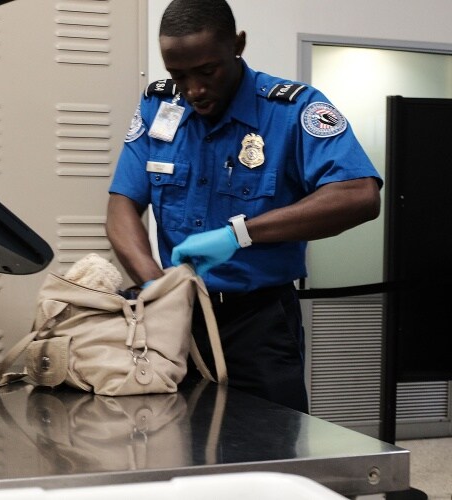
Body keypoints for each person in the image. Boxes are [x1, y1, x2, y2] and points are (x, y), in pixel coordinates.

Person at [106, 0, 382, 413]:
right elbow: (122, 205)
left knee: (270, 449)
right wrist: (154, 286)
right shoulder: (159, 106)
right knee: (175, 448)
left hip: (260, 323)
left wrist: (241, 234)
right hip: (176, 317)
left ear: (238, 45)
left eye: (207, 71)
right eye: (178, 76)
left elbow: (360, 195)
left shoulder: (292, 109)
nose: (194, 90)